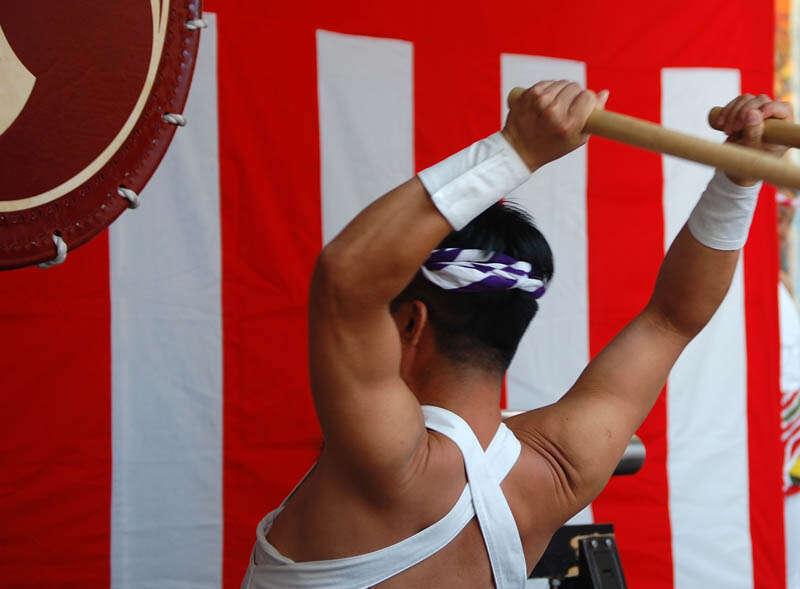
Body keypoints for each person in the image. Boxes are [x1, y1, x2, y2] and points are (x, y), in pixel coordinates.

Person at [241, 82, 792, 588]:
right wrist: (738, 179)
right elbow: (673, 317)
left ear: (411, 323)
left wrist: (516, 150)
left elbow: (347, 276)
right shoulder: (557, 466)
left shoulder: (388, 460)